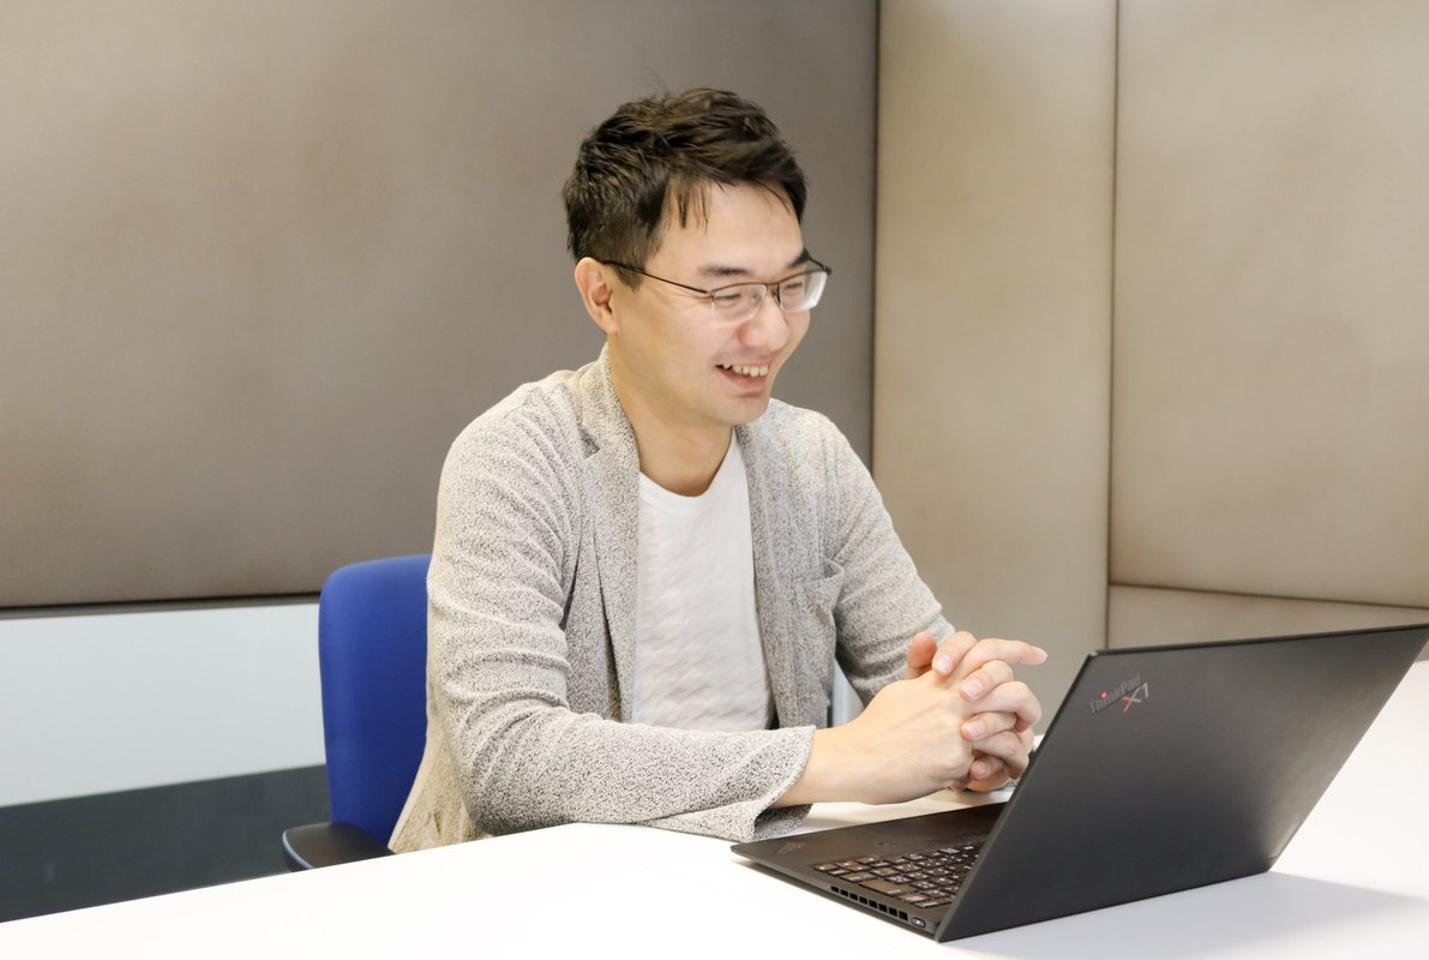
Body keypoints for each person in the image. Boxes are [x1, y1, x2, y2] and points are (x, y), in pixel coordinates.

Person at [390, 88, 1046, 852]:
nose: (770, 330)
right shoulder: (518, 457)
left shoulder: (811, 461)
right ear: (605, 296)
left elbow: (918, 681)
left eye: (790, 287)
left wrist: (972, 724)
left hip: (750, 876)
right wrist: (835, 759)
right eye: (727, 293)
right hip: (534, 889)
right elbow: (510, 762)